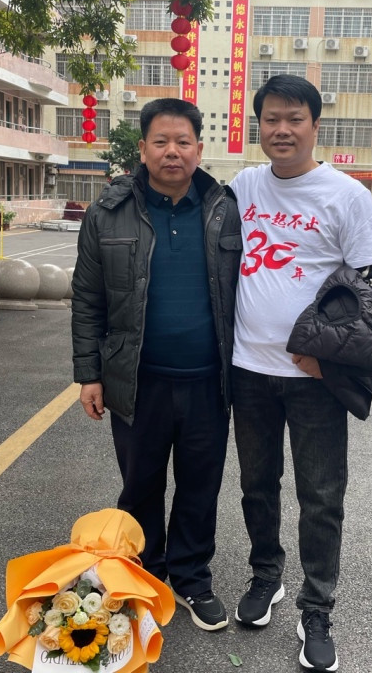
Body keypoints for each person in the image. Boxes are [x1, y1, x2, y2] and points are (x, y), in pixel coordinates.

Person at [229, 75, 372, 671]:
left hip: (315, 381)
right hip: (248, 370)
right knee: (256, 484)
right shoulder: (244, 185)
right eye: (271, 119)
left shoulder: (345, 195)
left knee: (321, 497)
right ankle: (265, 576)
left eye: (294, 119)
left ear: (315, 125)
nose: (282, 130)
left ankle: (317, 607)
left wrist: (329, 355)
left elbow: (371, 287)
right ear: (259, 125)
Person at [71, 98, 242, 630]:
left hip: (208, 381)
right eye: (161, 141)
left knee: (200, 486)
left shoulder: (224, 209)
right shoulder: (107, 213)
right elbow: (87, 299)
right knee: (140, 483)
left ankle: (191, 577)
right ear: (142, 149)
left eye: (183, 142)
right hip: (137, 381)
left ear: (199, 149)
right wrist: (89, 374)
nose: (173, 151)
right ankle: (142, 574)